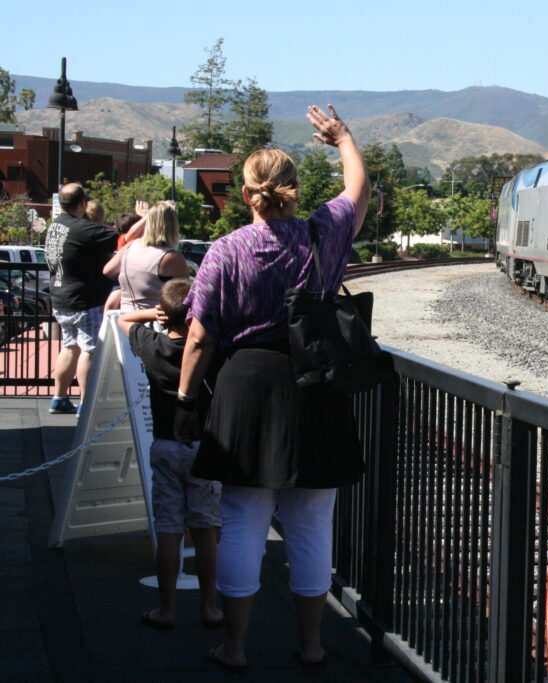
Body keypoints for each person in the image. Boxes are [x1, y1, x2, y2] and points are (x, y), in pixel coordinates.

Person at [178, 104, 370, 671]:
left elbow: (198, 338)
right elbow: (358, 189)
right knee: (312, 524)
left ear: (247, 196)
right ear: (293, 190)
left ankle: (234, 646)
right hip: (315, 385)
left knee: (241, 521)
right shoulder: (323, 235)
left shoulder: (225, 252)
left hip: (247, 389)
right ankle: (311, 645)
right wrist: (343, 137)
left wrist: (187, 401)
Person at [116, 279, 222, 630]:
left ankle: (167, 609)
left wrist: (154, 312)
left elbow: (124, 320)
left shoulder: (152, 346)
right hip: (203, 447)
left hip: (165, 445)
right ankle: (208, 607)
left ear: (165, 318)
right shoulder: (211, 348)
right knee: (206, 529)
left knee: (169, 530)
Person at [44, 183, 117, 414]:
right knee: (90, 350)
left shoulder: (55, 225)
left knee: (70, 347)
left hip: (60, 296)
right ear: (82, 203)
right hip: (83, 300)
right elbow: (121, 237)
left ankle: (59, 398)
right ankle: (86, 404)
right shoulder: (81, 228)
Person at [104, 201, 190, 312]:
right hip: (154, 322)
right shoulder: (171, 257)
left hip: (124, 320)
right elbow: (186, 297)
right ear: (173, 226)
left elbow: (108, 271)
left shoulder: (130, 246)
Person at [103, 211, 143, 314]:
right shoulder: (125, 239)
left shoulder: (123, 239)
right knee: (112, 303)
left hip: (122, 283)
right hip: (122, 284)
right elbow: (133, 232)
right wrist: (146, 217)